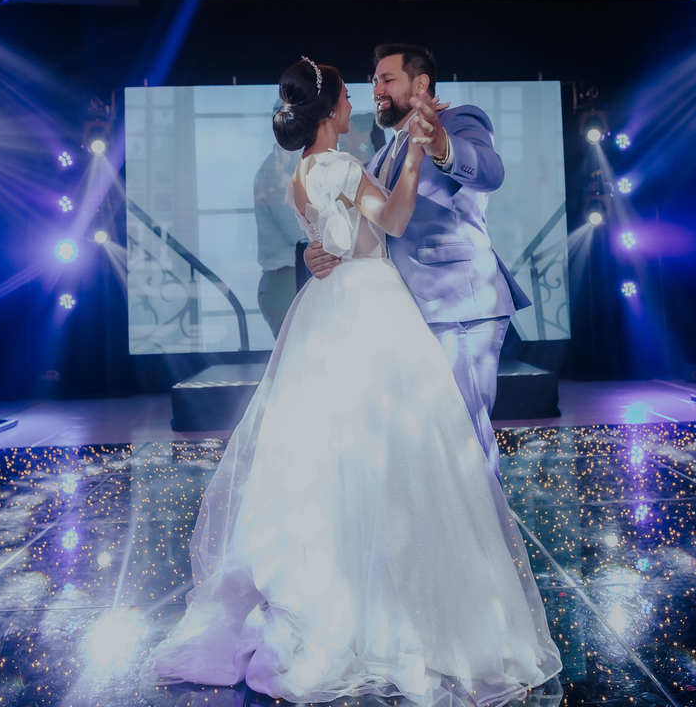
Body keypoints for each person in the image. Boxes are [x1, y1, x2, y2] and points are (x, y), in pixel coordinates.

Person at [142, 57, 561, 707]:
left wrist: (328, 243)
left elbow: (343, 232)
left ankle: (353, 587)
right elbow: (390, 223)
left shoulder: (302, 173)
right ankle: (407, 597)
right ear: (332, 107)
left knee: (338, 454)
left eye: (381, 81)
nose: (364, 97)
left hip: (331, 306)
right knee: (405, 452)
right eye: (351, 93)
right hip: (370, 302)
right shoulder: (341, 163)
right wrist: (415, 156)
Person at [304, 44, 530, 484]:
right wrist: (317, 250)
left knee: (465, 434)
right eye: (374, 81)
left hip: (458, 306)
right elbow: (370, 226)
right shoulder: (382, 156)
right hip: (408, 317)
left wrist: (442, 145)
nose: (377, 89)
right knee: (429, 441)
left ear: (421, 83)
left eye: (387, 79)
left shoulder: (458, 121)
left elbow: (491, 172)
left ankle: (487, 529)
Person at [252, 125, 305, 337]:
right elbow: (297, 234)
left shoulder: (279, 170)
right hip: (285, 280)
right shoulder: (275, 174)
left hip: (284, 280)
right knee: (296, 352)